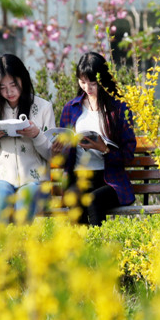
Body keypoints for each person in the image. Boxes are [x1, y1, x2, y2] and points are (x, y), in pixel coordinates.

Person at [52, 51, 136, 225]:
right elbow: (63, 155)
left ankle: (98, 248)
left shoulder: (119, 109)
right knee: (75, 199)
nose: (87, 88)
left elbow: (128, 154)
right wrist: (60, 149)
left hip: (108, 179)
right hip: (78, 176)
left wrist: (104, 149)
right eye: (82, 82)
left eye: (93, 83)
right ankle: (80, 248)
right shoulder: (71, 108)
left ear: (103, 81)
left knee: (93, 200)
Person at [0, 53, 55, 222]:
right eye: (2, 88)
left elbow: (52, 155)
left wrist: (36, 135)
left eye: (13, 84)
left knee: (25, 200)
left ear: (23, 79)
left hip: (35, 182)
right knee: (1, 199)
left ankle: (21, 247)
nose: (9, 92)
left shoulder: (43, 108)